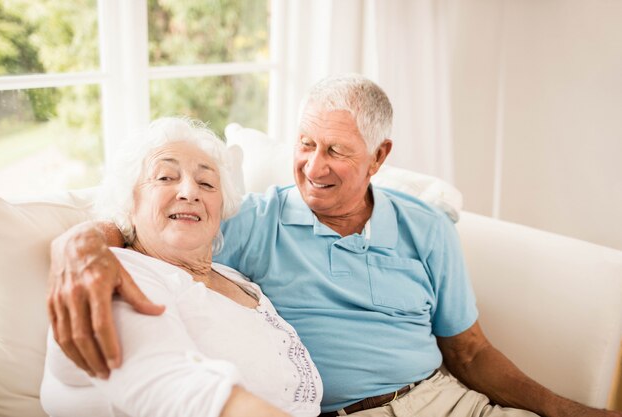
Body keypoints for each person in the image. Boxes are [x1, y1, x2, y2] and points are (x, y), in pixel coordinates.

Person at [47, 75, 621, 417]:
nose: (312, 167)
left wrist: (571, 411)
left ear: (379, 157)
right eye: (304, 143)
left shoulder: (428, 228)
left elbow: (469, 353)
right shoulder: (252, 222)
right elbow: (156, 229)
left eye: (337, 152)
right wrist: (80, 243)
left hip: (447, 401)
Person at [41, 117, 322, 417]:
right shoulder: (114, 273)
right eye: (165, 178)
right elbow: (179, 389)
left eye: (206, 183)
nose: (190, 192)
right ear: (128, 201)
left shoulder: (234, 277)